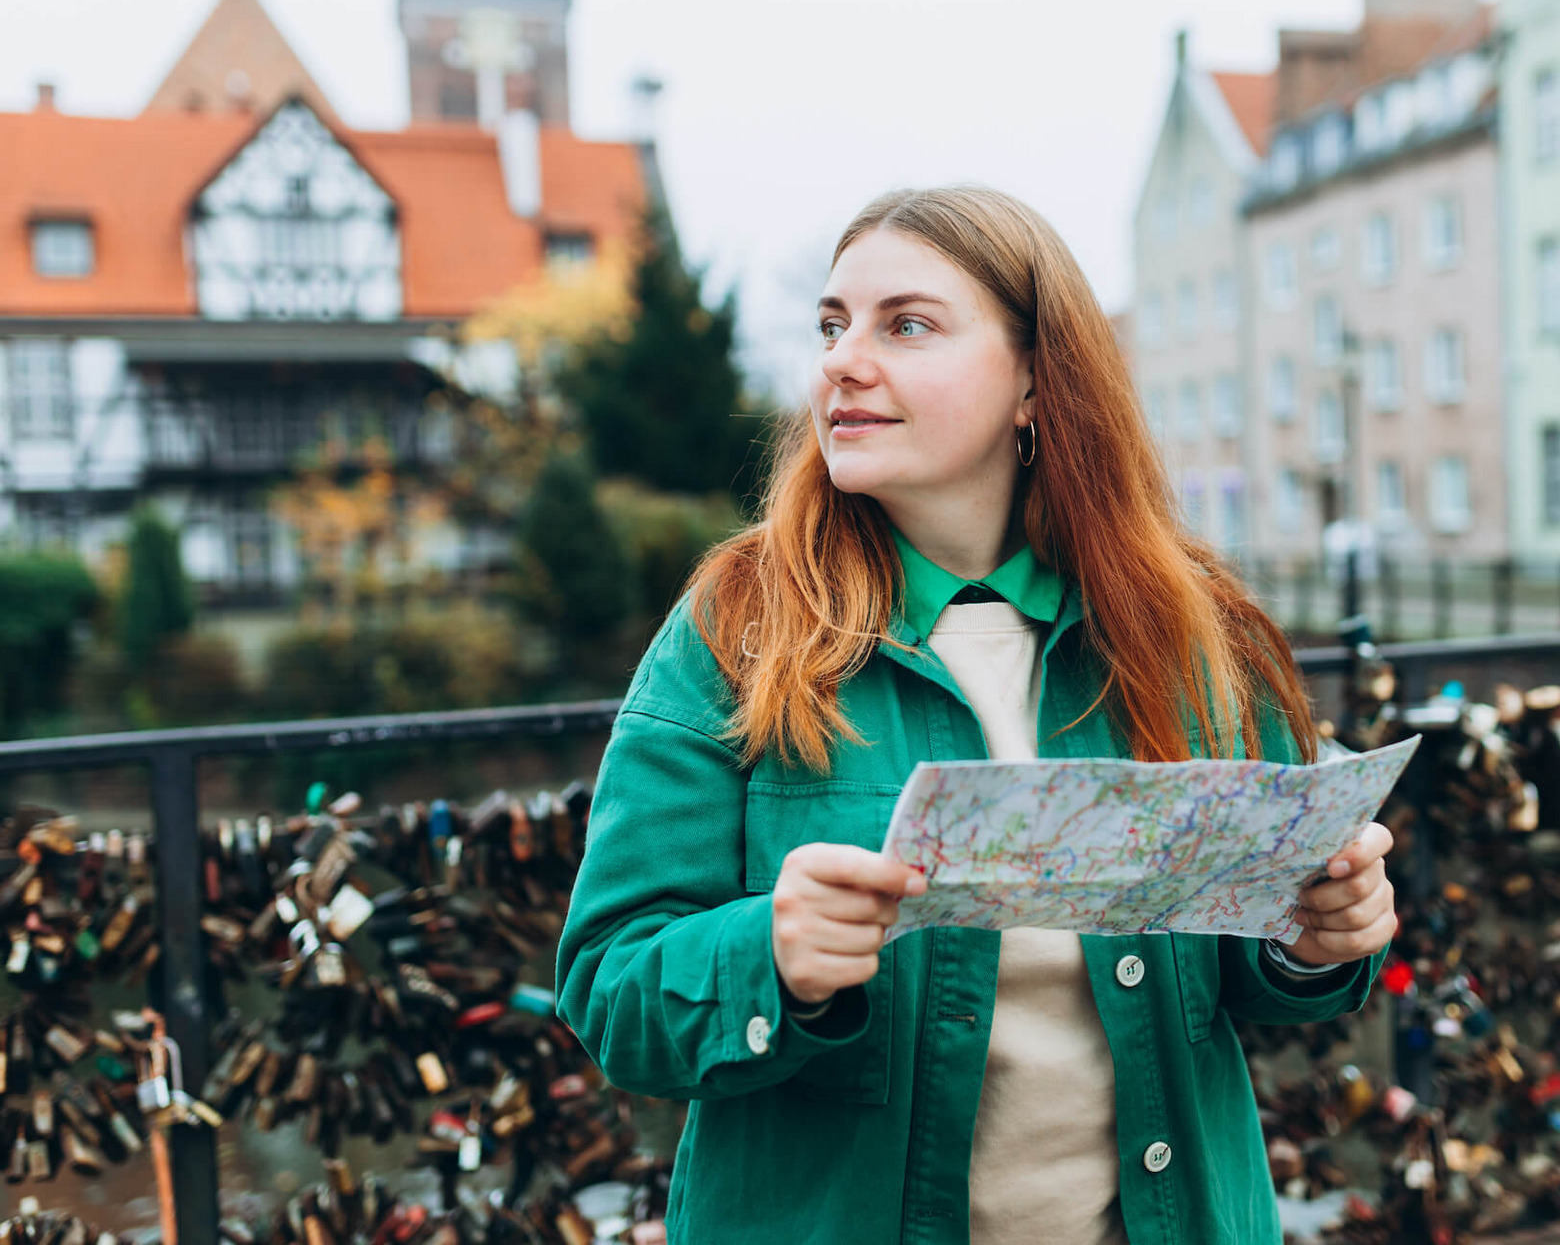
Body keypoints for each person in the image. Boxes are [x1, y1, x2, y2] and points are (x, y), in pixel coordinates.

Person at [556, 186, 1397, 1244]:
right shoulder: (736, 628)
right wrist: (770, 952)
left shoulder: (1185, 630)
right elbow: (610, 987)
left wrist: (1319, 938)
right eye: (833, 325)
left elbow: (1256, 974)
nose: (843, 361)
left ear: (1035, 380)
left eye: (905, 324)